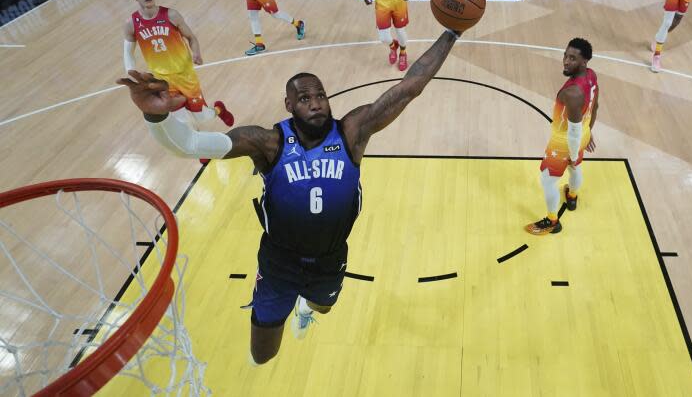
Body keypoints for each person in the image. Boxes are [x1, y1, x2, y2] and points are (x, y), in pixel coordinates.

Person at [116, 26, 463, 364]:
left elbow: (409, 87)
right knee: (262, 356)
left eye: (320, 96)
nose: (315, 104)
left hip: (330, 257)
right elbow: (191, 145)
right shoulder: (266, 142)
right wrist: (155, 115)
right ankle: (288, 307)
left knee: (324, 306)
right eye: (304, 98)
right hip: (279, 263)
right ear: (289, 105)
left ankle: (306, 307)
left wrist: (452, 32)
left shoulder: (352, 132)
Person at [123, 0, 234, 141]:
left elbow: (191, 37)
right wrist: (131, 74)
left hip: (185, 75)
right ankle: (201, 148)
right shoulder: (132, 23)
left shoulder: (171, 15)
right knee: (182, 119)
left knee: (202, 116)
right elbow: (127, 52)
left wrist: (196, 52)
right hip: (162, 80)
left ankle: (218, 109)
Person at [526, 38, 599, 235]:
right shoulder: (591, 76)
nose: (566, 61)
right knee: (576, 168)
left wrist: (573, 154)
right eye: (566, 55)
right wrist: (589, 130)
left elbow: (572, 132)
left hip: (565, 142)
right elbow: (595, 106)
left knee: (547, 180)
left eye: (572, 58)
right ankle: (572, 196)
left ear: (584, 62)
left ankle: (552, 221)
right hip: (582, 133)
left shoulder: (573, 93)